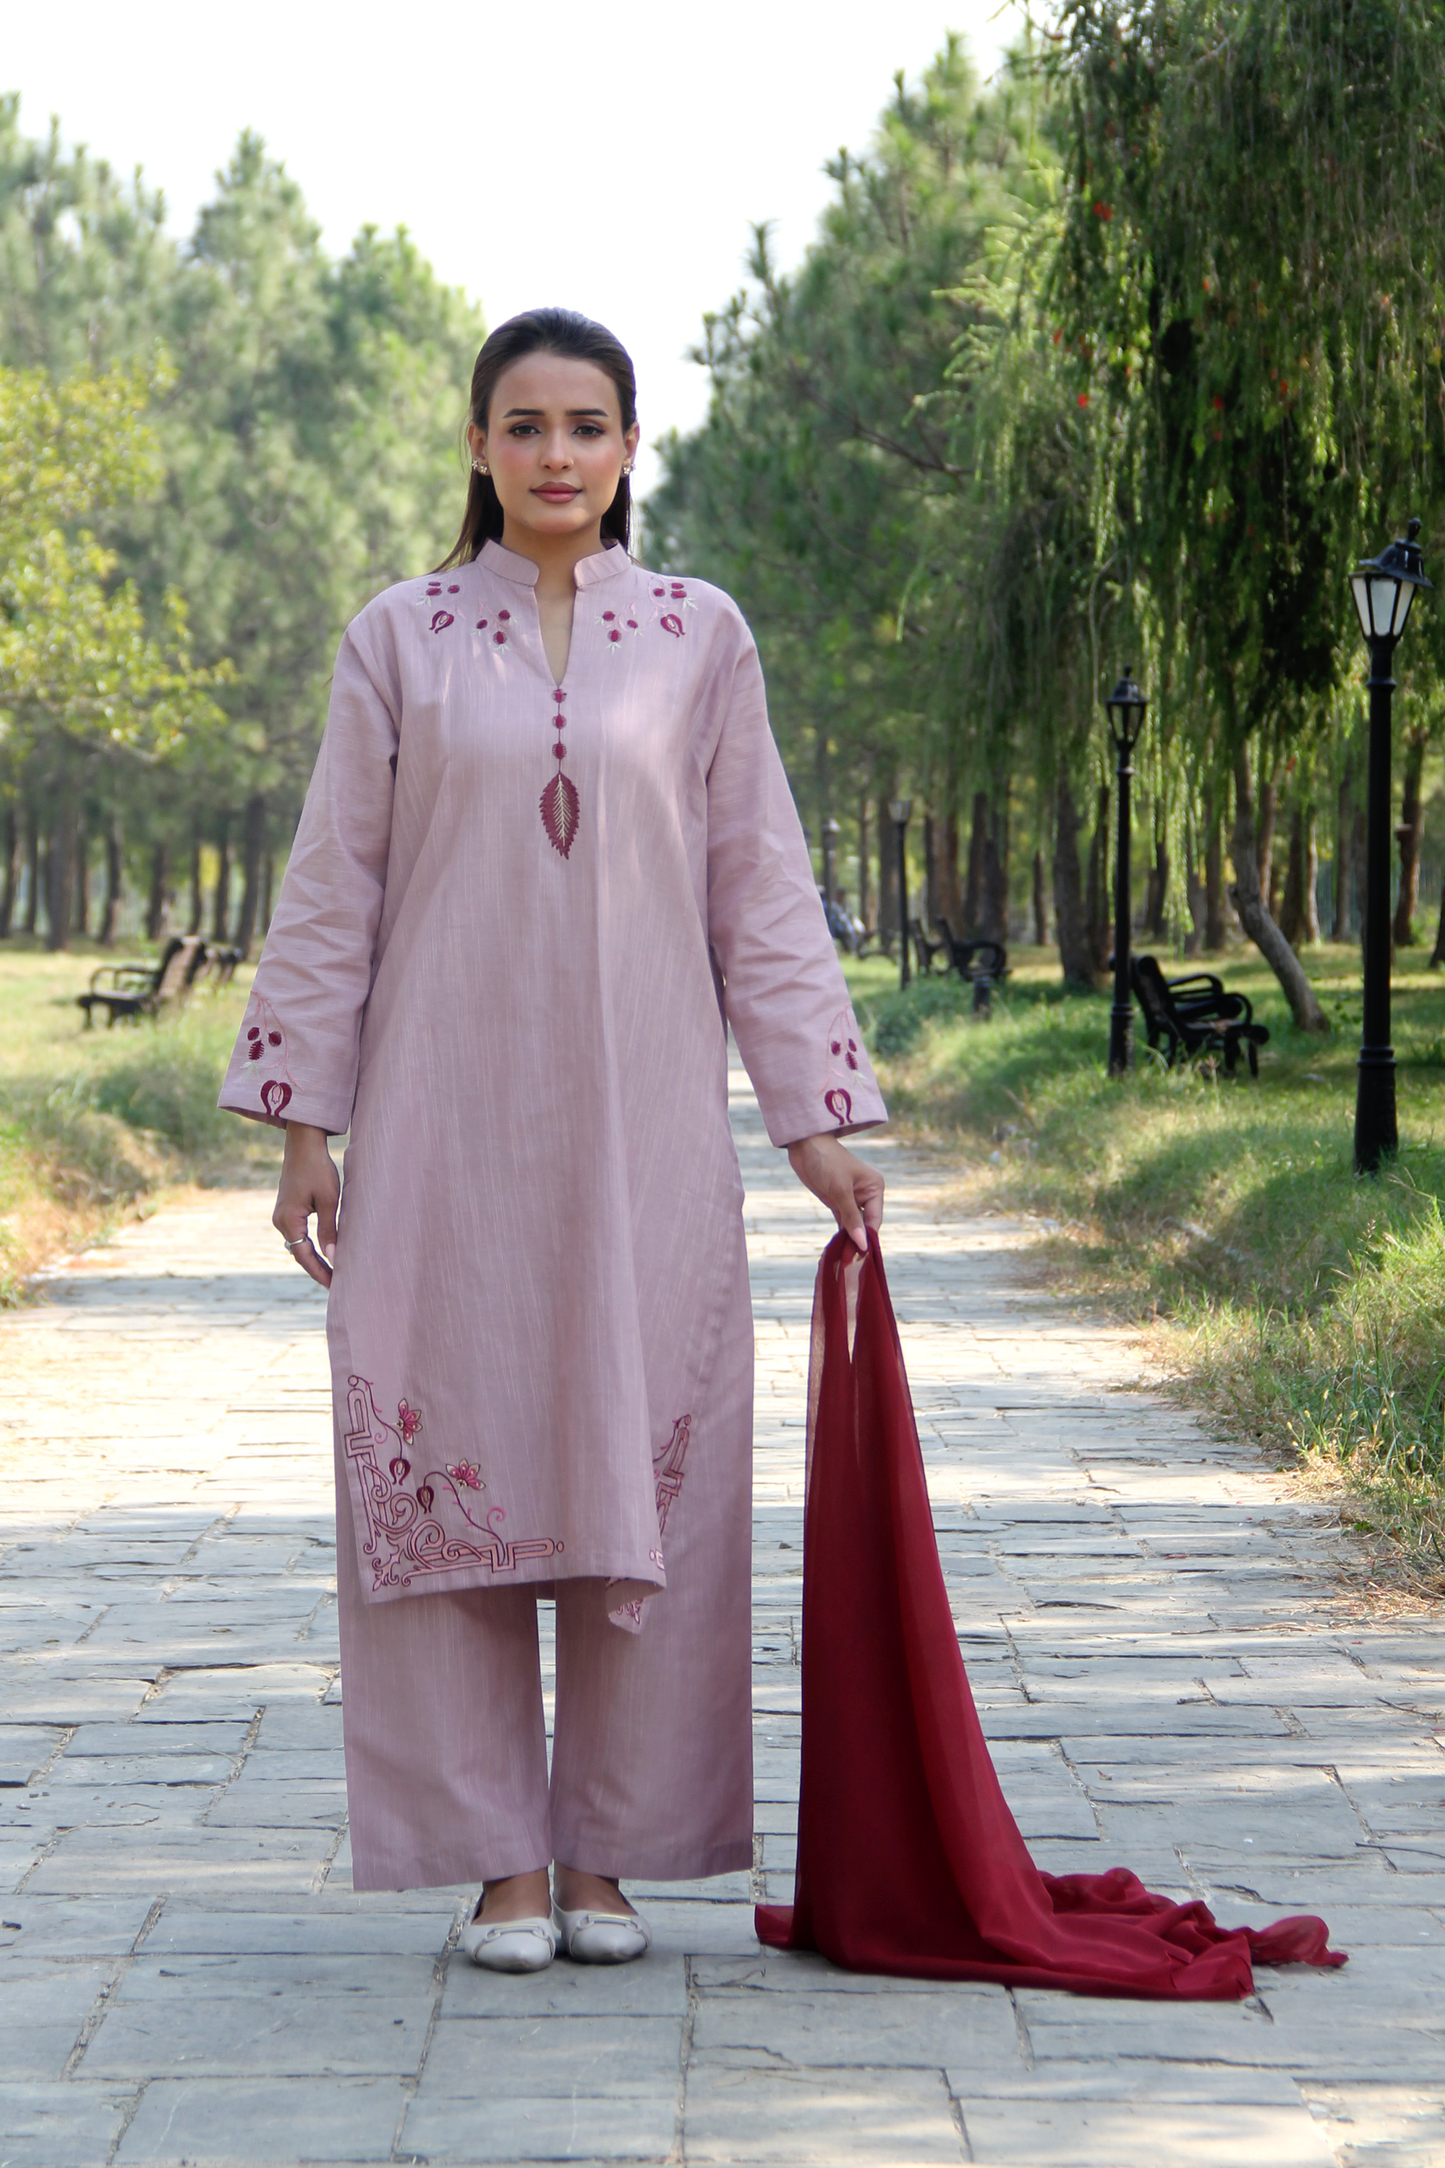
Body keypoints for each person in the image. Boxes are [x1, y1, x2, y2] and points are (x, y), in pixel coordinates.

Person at [219, 309, 887, 1973]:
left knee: (647, 1463)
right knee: (443, 1467)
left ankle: (607, 1854)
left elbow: (763, 892)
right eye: (523, 425)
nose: (557, 455)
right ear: (475, 445)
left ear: (632, 448)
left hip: (647, 1130)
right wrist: (306, 1126)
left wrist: (818, 1119)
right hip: (446, 1127)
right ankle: (494, 1863)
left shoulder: (700, 637)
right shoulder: (399, 638)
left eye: (587, 425)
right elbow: (334, 888)